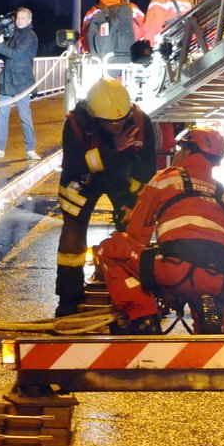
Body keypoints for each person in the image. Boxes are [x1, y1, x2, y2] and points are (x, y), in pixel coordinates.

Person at [95, 127, 224, 334]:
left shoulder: (164, 179)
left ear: (187, 151)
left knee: (111, 249)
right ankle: (213, 320)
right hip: (216, 279)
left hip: (173, 270)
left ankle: (143, 316)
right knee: (206, 290)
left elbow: (137, 235)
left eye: (180, 147)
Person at [55, 77, 157, 317]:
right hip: (83, 180)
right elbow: (74, 165)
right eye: (110, 123)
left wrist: (136, 204)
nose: (118, 126)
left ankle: (133, 290)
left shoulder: (142, 122)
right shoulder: (76, 124)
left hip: (124, 178)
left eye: (122, 120)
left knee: (133, 234)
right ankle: (69, 297)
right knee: (73, 232)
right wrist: (113, 150)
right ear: (93, 116)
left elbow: (148, 167)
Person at [0, 7, 40, 160]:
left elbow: (15, 54)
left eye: (23, 18)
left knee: (25, 115)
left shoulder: (31, 37)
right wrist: (1, 42)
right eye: (18, 18)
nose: (19, 21)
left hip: (22, 81)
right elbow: (7, 56)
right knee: (2, 115)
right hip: (7, 80)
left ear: (29, 20)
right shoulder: (13, 34)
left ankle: (30, 148)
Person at [79, 0, 145, 75]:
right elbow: (145, 31)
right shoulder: (133, 9)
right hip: (133, 66)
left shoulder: (93, 12)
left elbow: (84, 39)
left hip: (102, 67)